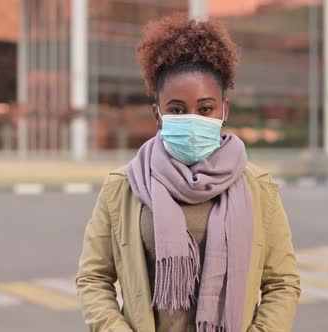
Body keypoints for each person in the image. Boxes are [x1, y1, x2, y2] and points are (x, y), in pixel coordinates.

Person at [76, 13, 301, 332]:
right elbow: (93, 278)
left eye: (205, 108)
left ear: (224, 110)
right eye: (178, 110)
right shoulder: (125, 185)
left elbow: (282, 284)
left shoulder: (258, 187)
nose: (192, 119)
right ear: (158, 113)